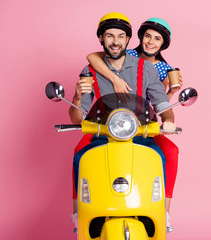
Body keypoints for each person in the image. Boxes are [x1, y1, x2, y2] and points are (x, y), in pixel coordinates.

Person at [69, 12, 176, 232]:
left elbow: (162, 103)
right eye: (109, 36)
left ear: (128, 40)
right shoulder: (89, 71)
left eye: (120, 36)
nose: (115, 41)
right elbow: (77, 118)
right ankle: (80, 214)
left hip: (139, 134)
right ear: (101, 39)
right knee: (80, 157)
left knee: (160, 156)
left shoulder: (146, 68)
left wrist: (168, 119)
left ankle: (160, 211)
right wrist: (78, 96)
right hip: (103, 135)